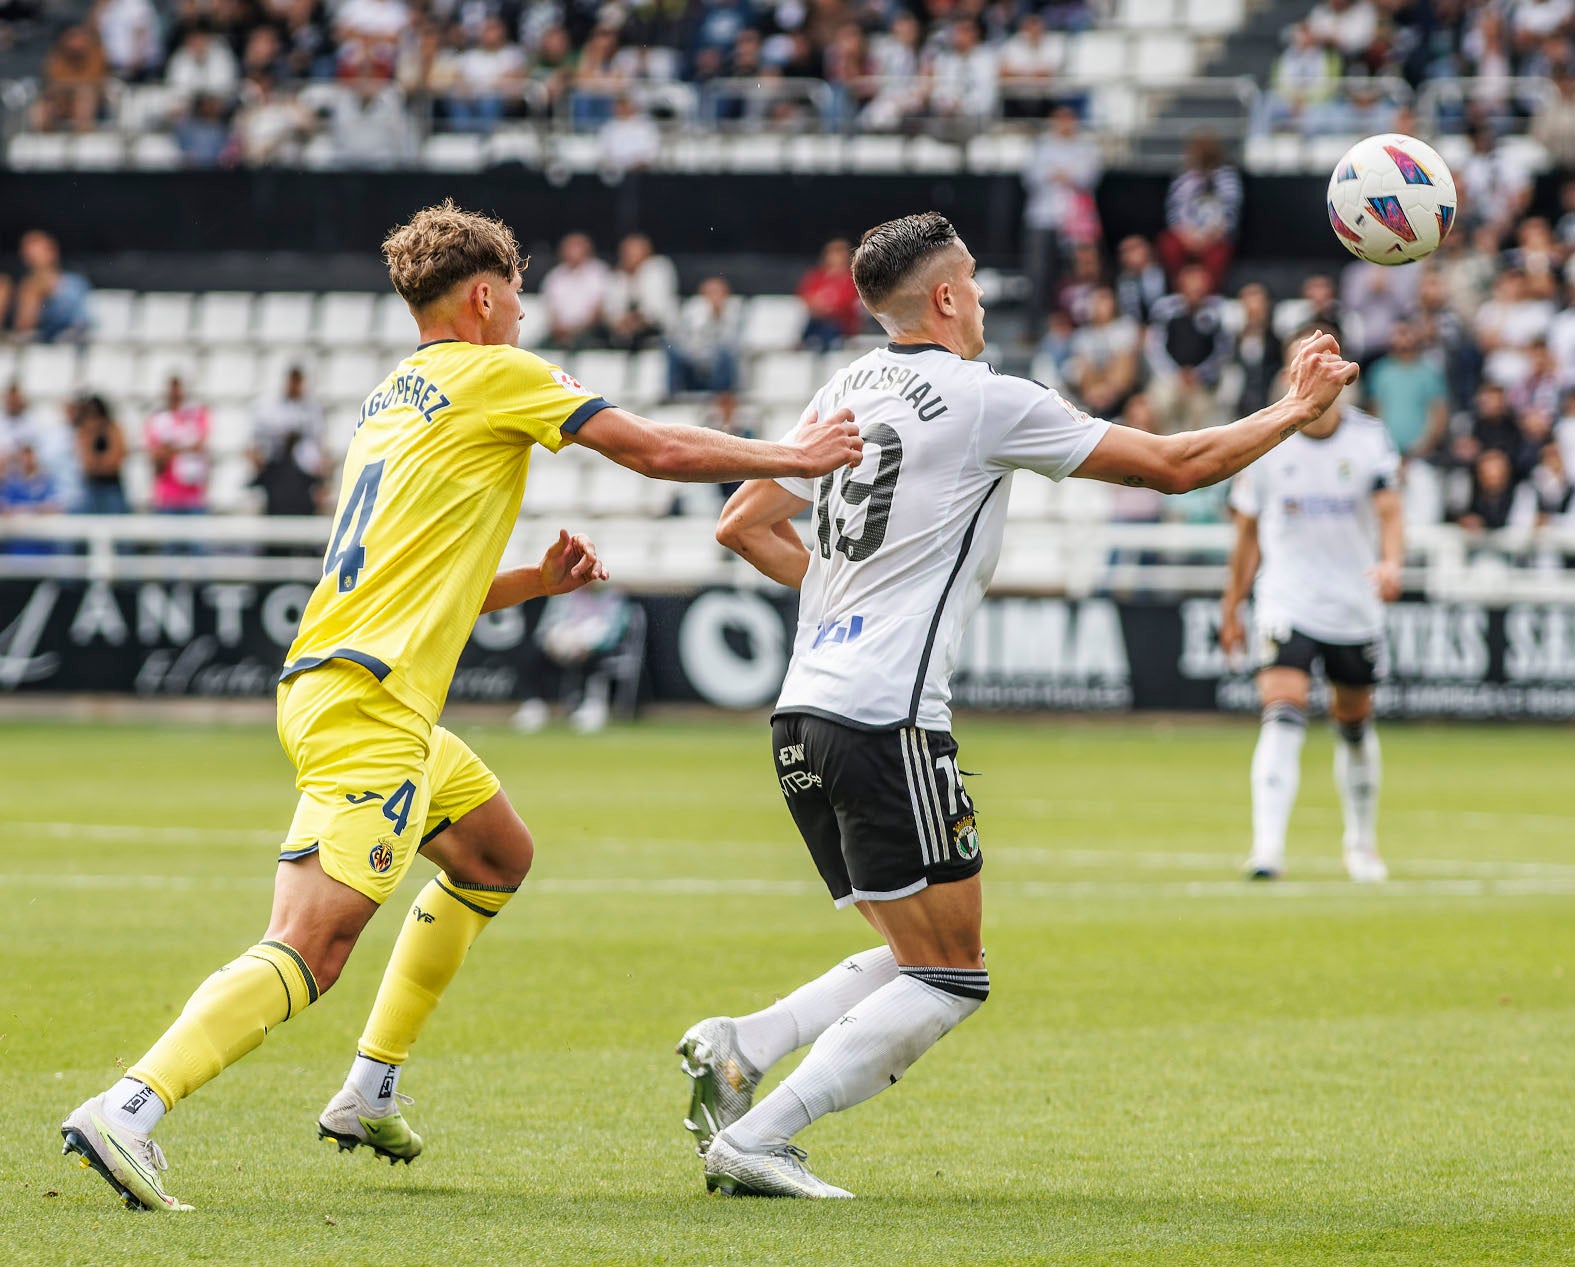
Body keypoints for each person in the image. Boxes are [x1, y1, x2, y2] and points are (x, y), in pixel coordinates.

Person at [60, 198, 863, 1213]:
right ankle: (130, 1105)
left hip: (344, 681)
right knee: (315, 942)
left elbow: (424, 583)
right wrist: (796, 457)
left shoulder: (394, 396)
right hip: (373, 707)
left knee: (495, 854)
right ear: (484, 296)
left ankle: (370, 1087)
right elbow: (652, 448)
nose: (524, 319)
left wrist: (537, 581)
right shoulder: (498, 374)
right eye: (518, 299)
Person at [675, 211, 1357, 1199]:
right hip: (887, 717)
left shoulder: (843, 388)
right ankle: (764, 1131)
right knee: (953, 974)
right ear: (945, 297)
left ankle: (743, 1047)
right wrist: (1294, 409)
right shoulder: (983, 400)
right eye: (978, 283)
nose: (986, 299)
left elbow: (741, 520)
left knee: (918, 954)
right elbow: (1175, 467)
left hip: (802, 717)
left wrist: (850, 598)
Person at [1219, 328, 1403, 884]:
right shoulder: (1267, 441)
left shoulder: (1370, 439)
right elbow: (1247, 535)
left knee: (1353, 721)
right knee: (1282, 710)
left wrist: (1392, 562)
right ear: (1291, 372)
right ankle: (1267, 849)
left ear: (1343, 372)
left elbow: (1391, 511)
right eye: (1306, 359)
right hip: (1287, 599)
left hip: (1353, 605)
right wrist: (1232, 606)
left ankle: (1361, 844)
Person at [1156, 132, 1242, 292]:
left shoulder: (1227, 177)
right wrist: (1187, 236)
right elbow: (1174, 211)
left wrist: (1208, 237)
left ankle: (1206, 295)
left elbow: (1230, 213)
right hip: (1186, 234)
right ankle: (1181, 291)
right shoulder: (1183, 176)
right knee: (1169, 245)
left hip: (1215, 236)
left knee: (1218, 254)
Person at [4, 230, 94, 343]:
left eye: (37, 252)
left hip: (69, 342)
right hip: (36, 345)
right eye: (27, 253)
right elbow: (23, 328)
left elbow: (81, 320)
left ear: (52, 252)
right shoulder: (19, 286)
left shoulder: (74, 282)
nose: (32, 257)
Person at [144, 376, 211, 515]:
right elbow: (156, 456)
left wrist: (171, 448)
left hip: (194, 496)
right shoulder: (157, 418)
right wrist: (185, 447)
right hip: (167, 496)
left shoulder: (196, 414)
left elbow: (200, 445)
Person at [600, 233, 678, 353]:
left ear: (647, 252)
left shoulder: (657, 268)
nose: (629, 256)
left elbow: (655, 311)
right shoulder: (618, 275)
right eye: (626, 252)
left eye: (633, 251)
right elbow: (610, 310)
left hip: (661, 335)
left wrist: (635, 320)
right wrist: (621, 321)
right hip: (624, 337)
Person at [667, 276, 744, 397]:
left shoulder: (735, 310)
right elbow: (686, 340)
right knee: (671, 349)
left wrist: (718, 316)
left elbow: (732, 343)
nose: (714, 297)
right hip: (694, 360)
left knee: (725, 357)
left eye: (718, 293)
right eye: (710, 293)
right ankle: (672, 397)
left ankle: (722, 397)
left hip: (720, 365)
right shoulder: (692, 310)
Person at [542, 232, 609, 349]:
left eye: (576, 247)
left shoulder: (597, 272)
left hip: (588, 332)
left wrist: (574, 330)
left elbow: (597, 312)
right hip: (559, 332)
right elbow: (552, 310)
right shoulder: (555, 276)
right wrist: (559, 328)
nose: (572, 252)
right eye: (568, 248)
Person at [797, 239, 862, 351]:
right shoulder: (816, 276)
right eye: (833, 253)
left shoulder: (852, 279)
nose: (836, 257)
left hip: (841, 325)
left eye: (840, 252)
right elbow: (806, 297)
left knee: (828, 329)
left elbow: (845, 303)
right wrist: (819, 306)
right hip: (815, 321)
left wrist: (826, 307)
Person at [73, 394, 129, 514]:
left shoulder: (114, 428)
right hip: (92, 487)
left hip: (112, 486)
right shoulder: (83, 431)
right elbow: (87, 463)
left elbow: (115, 461)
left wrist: (99, 464)